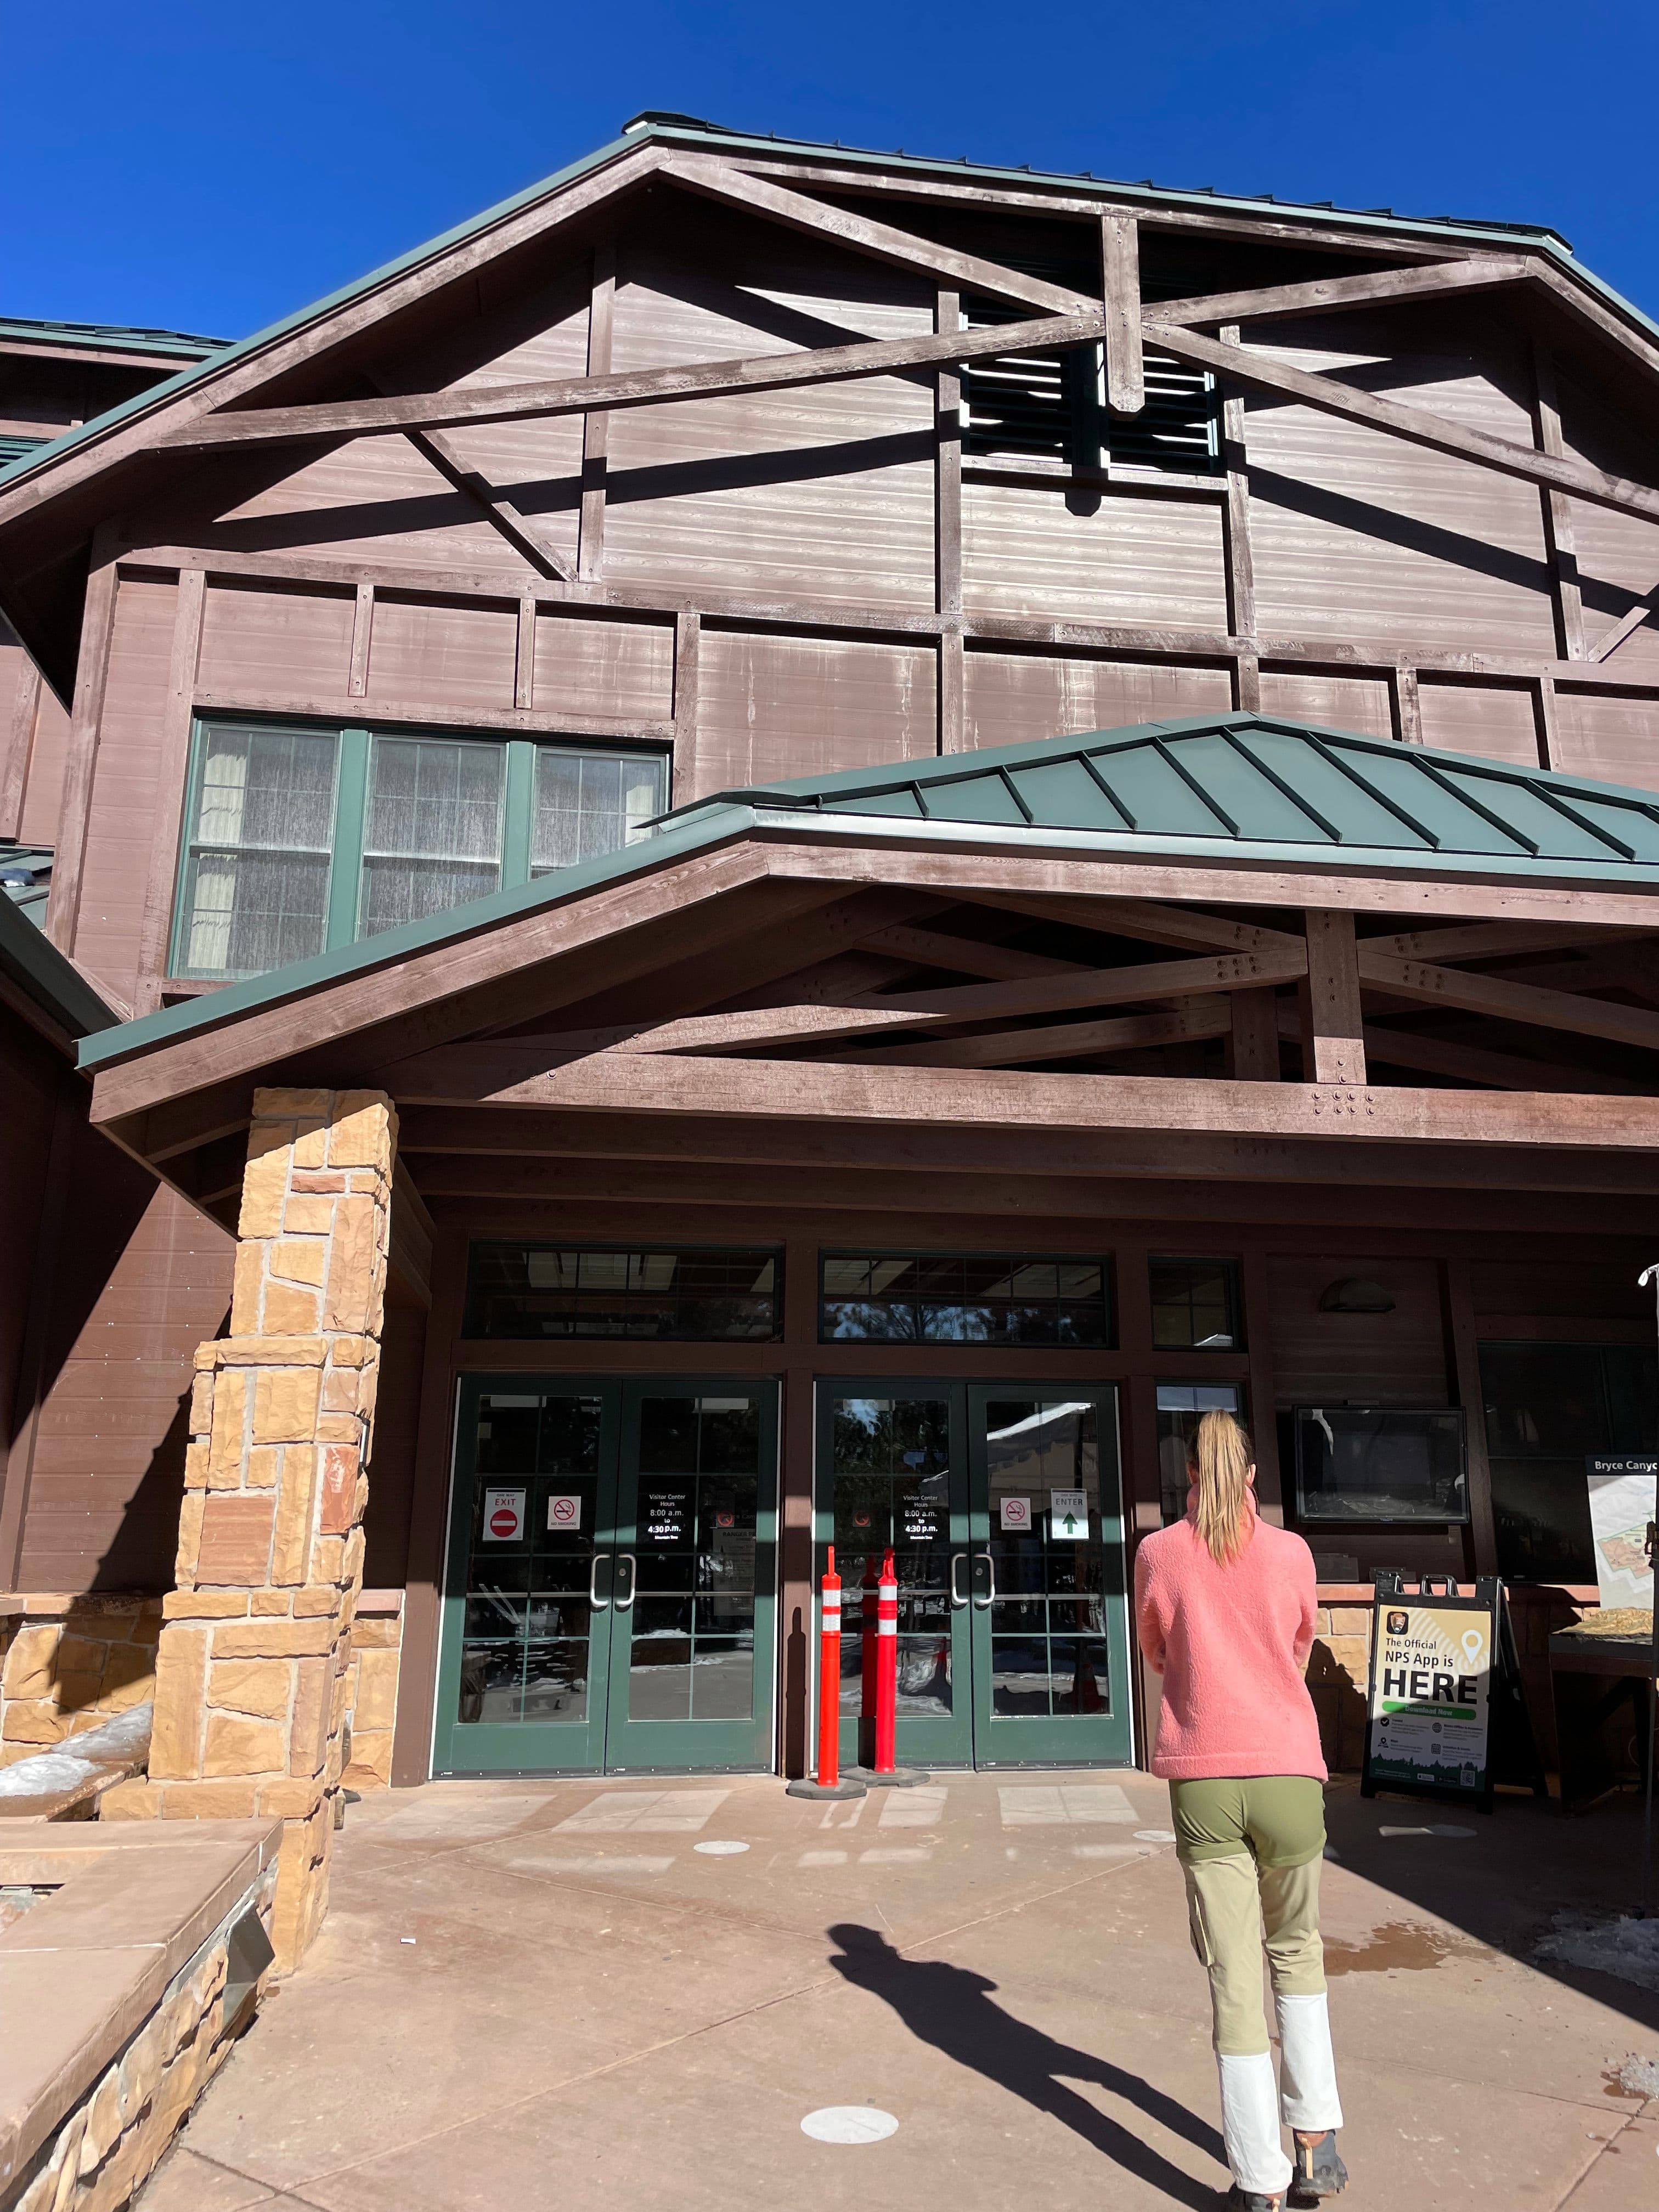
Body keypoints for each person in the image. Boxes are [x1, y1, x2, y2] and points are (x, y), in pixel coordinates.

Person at [1134, 1409, 1347, 2210]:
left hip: (1205, 1778)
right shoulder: (1291, 1551)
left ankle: (1258, 2179)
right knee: (1298, 1951)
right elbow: (1299, 1643)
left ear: (1188, 1475)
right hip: (1290, 1771)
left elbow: (1158, 1649)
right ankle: (1317, 2144)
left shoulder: (1159, 1552)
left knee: (1232, 1979)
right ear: (1252, 1475)